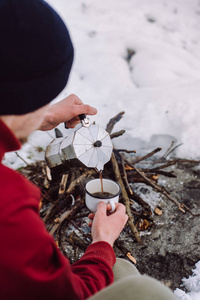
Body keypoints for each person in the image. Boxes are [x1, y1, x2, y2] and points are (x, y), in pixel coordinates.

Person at [0, 1, 178, 299]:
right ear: (21, 97)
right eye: (44, 97)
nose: (47, 105)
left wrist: (34, 116)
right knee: (141, 288)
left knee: (120, 271)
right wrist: (102, 241)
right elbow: (70, 294)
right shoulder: (9, 207)